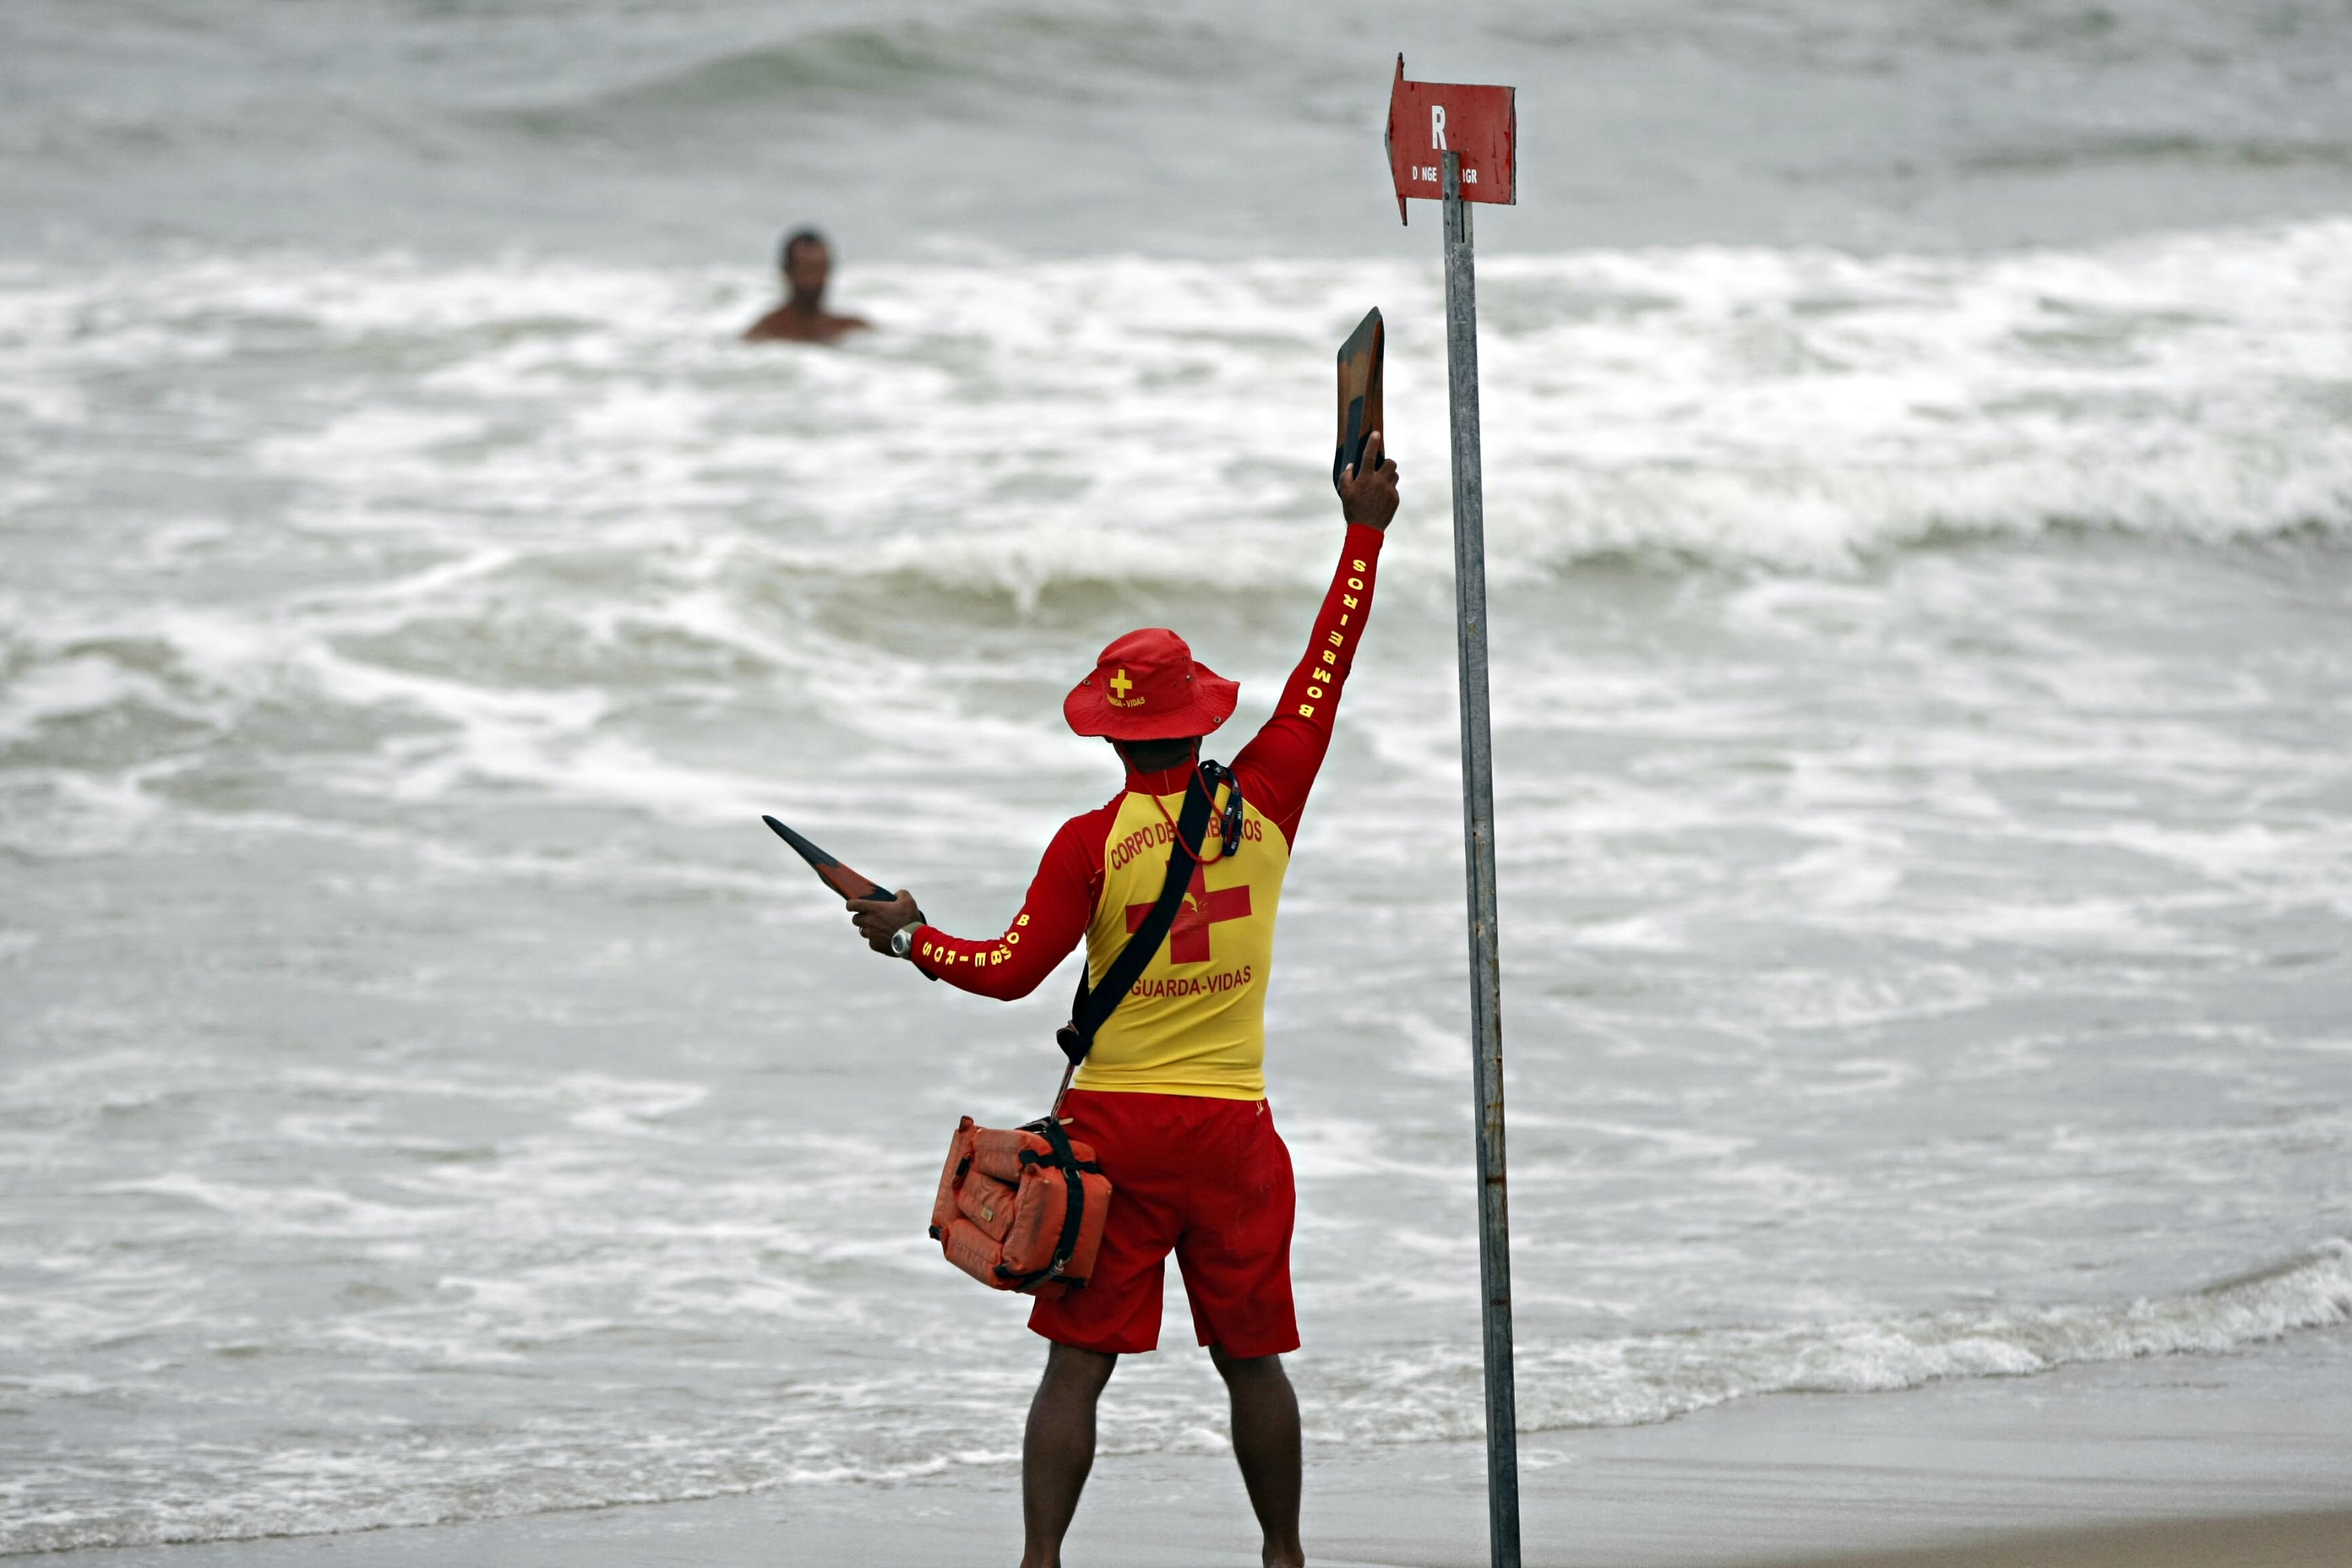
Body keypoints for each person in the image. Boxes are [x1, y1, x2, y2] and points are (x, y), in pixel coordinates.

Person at [843, 432, 1402, 1568]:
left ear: (1108, 729)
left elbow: (1006, 969)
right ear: (1202, 717)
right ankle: (1284, 1556)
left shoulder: (1090, 844)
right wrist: (1363, 531)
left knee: (1076, 1366)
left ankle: (1041, 1562)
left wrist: (908, 937)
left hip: (1116, 1137)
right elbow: (1325, 667)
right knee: (1252, 1362)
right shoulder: (1268, 798)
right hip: (1235, 1135)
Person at [742, 227, 870, 343]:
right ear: (788, 273)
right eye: (808, 270)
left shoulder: (851, 328)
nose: (816, 279)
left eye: (821, 269)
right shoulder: (765, 333)